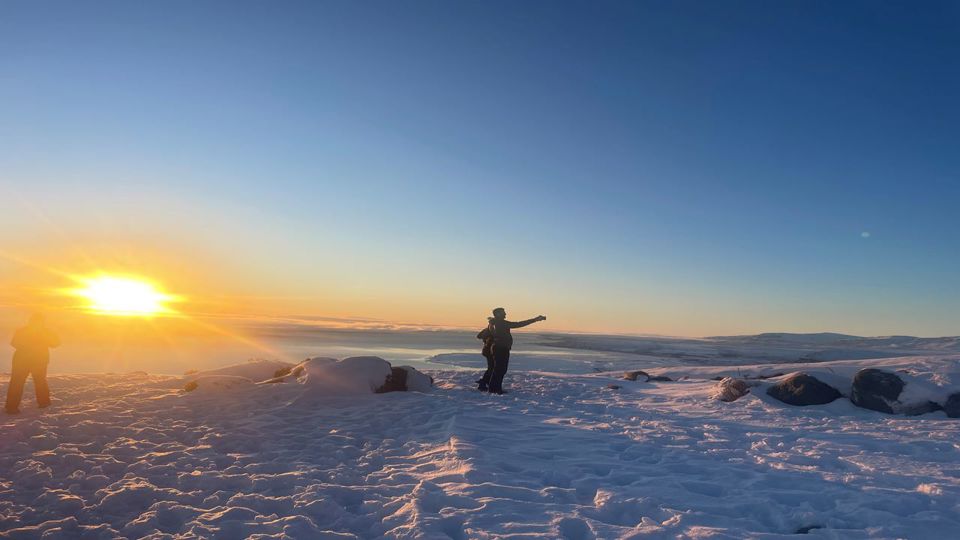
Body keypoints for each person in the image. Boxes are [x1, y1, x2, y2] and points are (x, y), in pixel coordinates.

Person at [5, 314, 60, 414]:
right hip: (28, 361)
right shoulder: (40, 331)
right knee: (22, 382)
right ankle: (42, 403)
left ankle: (13, 407)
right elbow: (14, 343)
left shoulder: (26, 331)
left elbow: (56, 343)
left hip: (30, 361)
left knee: (33, 382)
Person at [485, 307, 546, 395]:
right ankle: (494, 389)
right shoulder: (500, 323)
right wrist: (535, 319)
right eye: (503, 312)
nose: (505, 314)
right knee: (500, 369)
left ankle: (494, 388)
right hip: (500, 348)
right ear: (498, 314)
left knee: (499, 369)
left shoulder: (495, 322)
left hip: (499, 347)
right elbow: (518, 324)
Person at [476, 317, 495, 391]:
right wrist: (488, 339)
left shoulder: (487, 329)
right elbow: (479, 336)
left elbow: (478, 336)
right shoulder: (491, 330)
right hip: (489, 351)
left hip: (487, 350)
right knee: (491, 367)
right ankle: (483, 382)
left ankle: (485, 381)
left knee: (491, 367)